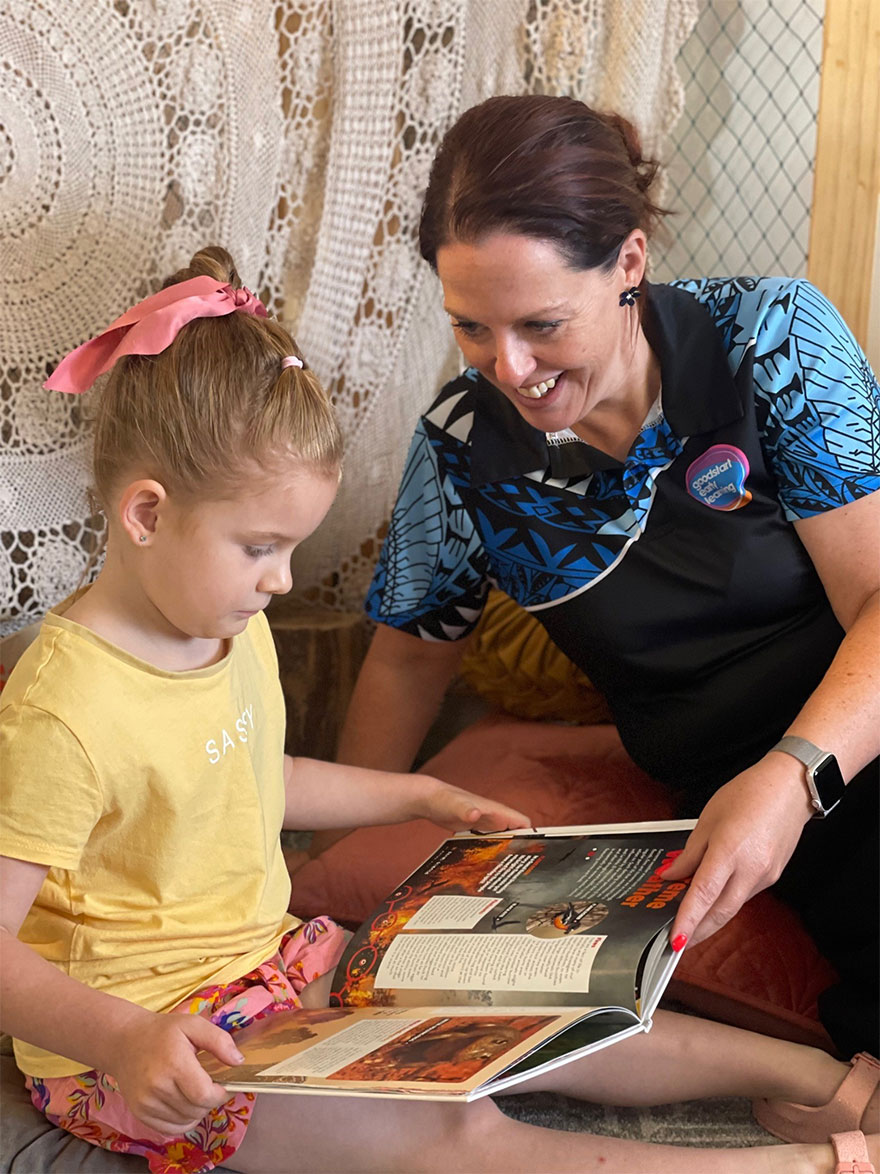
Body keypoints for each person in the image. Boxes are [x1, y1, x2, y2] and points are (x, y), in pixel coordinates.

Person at [1, 246, 877, 1174]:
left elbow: (251, 777)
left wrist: (418, 797)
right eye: (261, 546)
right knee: (454, 1130)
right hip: (158, 1045)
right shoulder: (63, 710)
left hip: (278, 964)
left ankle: (823, 1081)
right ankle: (811, 1168)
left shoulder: (222, 621)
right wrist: (124, 1040)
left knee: (530, 1003)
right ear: (145, 514)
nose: (284, 578)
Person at [320, 94, 880, 1062]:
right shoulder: (459, 453)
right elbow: (409, 663)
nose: (510, 367)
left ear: (628, 262)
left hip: (847, 731)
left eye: (539, 323)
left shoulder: (773, 342)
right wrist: (329, 864)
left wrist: (791, 780)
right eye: (470, 329)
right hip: (724, 780)